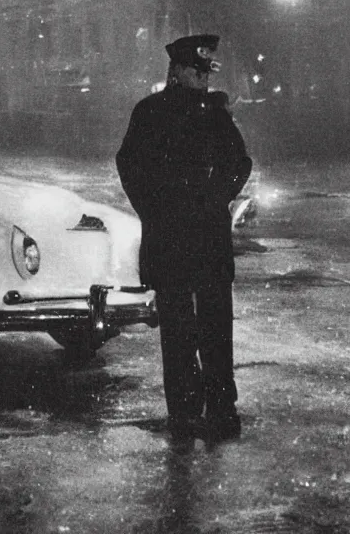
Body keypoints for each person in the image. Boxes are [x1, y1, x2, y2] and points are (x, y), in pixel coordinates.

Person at [115, 34, 253, 443]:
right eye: (196, 70)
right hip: (174, 234)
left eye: (207, 71)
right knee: (178, 331)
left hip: (203, 234)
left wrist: (218, 197)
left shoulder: (214, 113)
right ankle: (186, 410)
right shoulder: (151, 112)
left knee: (215, 327)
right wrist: (154, 210)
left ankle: (219, 407)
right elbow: (129, 165)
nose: (203, 78)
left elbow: (239, 162)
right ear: (176, 70)